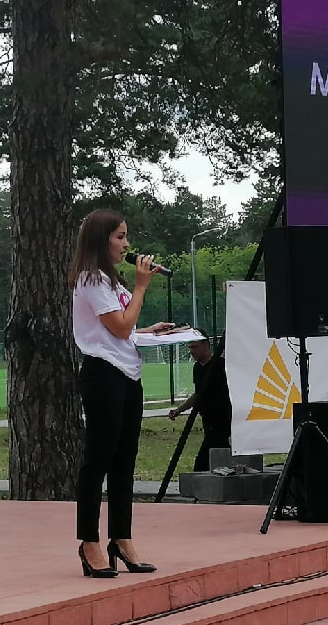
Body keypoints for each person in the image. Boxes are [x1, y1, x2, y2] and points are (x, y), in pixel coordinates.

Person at [71, 209, 171, 579]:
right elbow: (119, 328)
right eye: (119, 237)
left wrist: (149, 331)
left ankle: (121, 539)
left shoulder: (111, 281)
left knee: (124, 460)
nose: (127, 244)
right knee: (98, 459)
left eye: (126, 236)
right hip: (103, 375)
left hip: (128, 374)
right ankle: (89, 542)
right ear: (102, 240)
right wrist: (142, 287)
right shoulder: (91, 279)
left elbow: (124, 330)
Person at [167, 337, 232, 472]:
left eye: (194, 347)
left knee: (203, 462)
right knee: (216, 457)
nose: (191, 351)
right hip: (208, 421)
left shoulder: (221, 365)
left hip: (222, 420)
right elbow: (198, 394)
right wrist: (179, 410)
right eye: (190, 348)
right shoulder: (197, 368)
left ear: (206, 345)